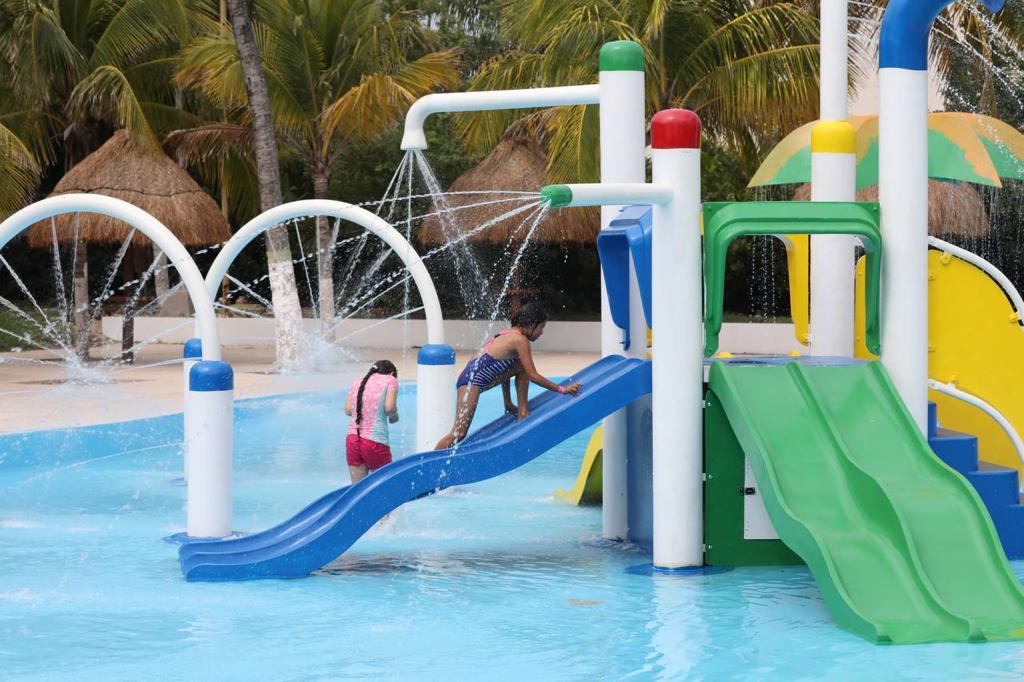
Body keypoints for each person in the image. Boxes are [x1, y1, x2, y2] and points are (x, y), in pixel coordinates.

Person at [435, 301, 582, 449]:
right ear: (532, 324)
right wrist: (562, 389)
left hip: (476, 378)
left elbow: (505, 368)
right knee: (458, 433)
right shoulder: (520, 340)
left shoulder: (508, 333)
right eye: (541, 327)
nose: (541, 333)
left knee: (521, 365)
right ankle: (431, 462)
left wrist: (508, 402)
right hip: (470, 382)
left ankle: (522, 411)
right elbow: (533, 375)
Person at [344, 360, 399, 483]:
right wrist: (394, 416)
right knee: (383, 487)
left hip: (352, 439)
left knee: (356, 490)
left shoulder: (358, 381)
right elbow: (389, 408)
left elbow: (348, 410)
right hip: (374, 441)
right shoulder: (390, 380)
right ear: (391, 373)